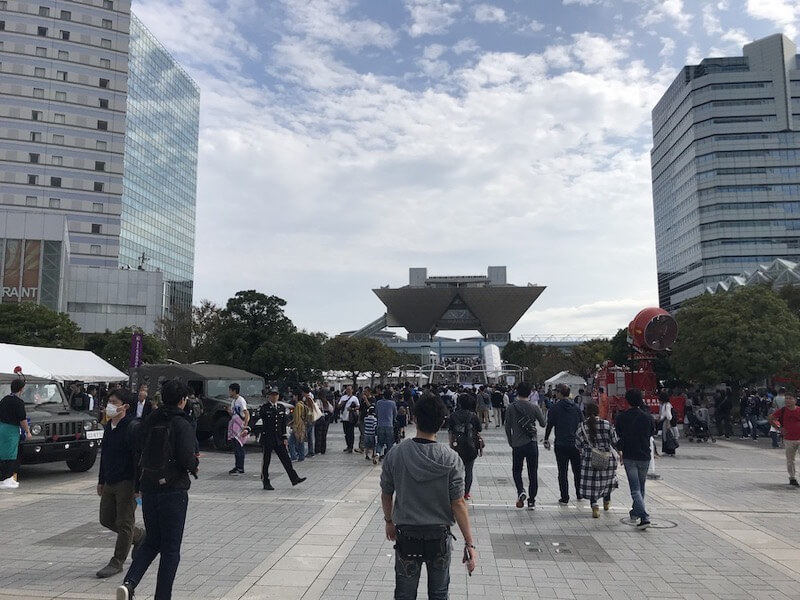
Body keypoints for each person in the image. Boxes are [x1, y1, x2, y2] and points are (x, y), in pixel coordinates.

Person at [380, 393, 476, 599]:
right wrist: (469, 542)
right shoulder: (451, 459)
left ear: (414, 418)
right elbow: (458, 502)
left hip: (407, 535)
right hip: (438, 537)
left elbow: (387, 492)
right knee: (439, 593)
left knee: (404, 594)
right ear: (442, 422)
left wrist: (389, 521)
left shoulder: (396, 454)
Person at [116, 379, 199, 600]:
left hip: (149, 489)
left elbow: (138, 453)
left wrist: (137, 485)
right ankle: (162, 597)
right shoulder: (182, 423)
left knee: (152, 541)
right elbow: (185, 457)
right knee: (171, 549)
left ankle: (129, 583)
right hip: (173, 491)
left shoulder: (149, 421)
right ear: (182, 400)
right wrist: (194, 464)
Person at [95, 389, 145, 578]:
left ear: (125, 406)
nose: (110, 405)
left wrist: (138, 486)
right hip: (110, 479)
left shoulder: (132, 427)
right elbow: (105, 454)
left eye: (114, 402)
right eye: (109, 401)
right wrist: (101, 480)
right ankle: (139, 536)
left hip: (127, 481)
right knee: (106, 518)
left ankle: (117, 562)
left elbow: (138, 457)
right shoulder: (109, 427)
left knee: (125, 522)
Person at [615, 388, 654, 530]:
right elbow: (652, 432)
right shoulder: (647, 417)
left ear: (627, 400)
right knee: (641, 487)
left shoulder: (622, 417)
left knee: (635, 489)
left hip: (629, 455)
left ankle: (644, 516)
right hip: (644, 455)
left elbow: (618, 435)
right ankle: (635, 512)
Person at [504, 382, 546, 509]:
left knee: (517, 470)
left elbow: (507, 427)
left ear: (517, 392)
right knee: (533, 472)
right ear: (530, 393)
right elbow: (543, 423)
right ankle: (532, 500)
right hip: (532, 443)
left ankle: (521, 490)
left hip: (517, 444)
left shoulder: (511, 407)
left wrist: (511, 441)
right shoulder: (534, 407)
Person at [576, 403, 618, 519]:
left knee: (593, 483)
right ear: (598, 411)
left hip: (589, 459)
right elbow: (614, 441)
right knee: (606, 480)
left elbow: (578, 444)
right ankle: (607, 500)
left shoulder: (582, 426)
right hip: (606, 458)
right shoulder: (606, 424)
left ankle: (594, 506)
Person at [543, 384, 583, 504]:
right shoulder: (576, 408)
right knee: (577, 470)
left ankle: (564, 496)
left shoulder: (555, 408)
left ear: (560, 393)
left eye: (556, 392)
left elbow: (550, 425)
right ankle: (579, 493)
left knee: (562, 471)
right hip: (575, 444)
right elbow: (582, 424)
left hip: (561, 444)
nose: (555, 394)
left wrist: (546, 439)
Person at [258, 390, 305, 490]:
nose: (274, 397)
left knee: (286, 459)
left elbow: (283, 424)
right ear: (269, 397)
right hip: (268, 438)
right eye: (272, 395)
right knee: (266, 461)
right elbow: (258, 419)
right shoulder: (264, 407)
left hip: (278, 438)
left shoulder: (281, 407)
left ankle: (294, 478)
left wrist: (284, 437)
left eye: (276, 395)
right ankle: (265, 481)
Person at [448, 393, 482, 500]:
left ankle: (456, 492)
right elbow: (479, 430)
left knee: (456, 471)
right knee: (469, 470)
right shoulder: (474, 416)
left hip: (457, 447)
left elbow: (450, 432)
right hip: (471, 447)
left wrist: (451, 446)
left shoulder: (453, 416)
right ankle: (466, 492)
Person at [0, 379, 33, 490]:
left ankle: (6, 478)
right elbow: (22, 419)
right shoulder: (19, 402)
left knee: (3, 452)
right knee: (11, 454)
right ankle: (6, 478)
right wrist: (28, 431)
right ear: (21, 389)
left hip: (2, 428)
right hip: (11, 430)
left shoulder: (4, 400)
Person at [769, 393, 800, 486]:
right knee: (790, 460)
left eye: (790, 398)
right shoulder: (782, 411)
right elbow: (771, 418)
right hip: (789, 439)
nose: (787, 400)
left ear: (795, 400)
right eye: (786, 398)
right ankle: (792, 477)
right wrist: (779, 428)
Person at [227, 383, 249, 474]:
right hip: (234, 426)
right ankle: (237, 466)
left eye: (230, 390)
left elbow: (246, 413)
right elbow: (233, 414)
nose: (229, 392)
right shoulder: (233, 401)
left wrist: (245, 426)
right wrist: (229, 412)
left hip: (240, 426)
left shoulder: (241, 400)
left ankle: (240, 467)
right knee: (236, 447)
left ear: (234, 391)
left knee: (239, 446)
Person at [375, 389, 398, 461]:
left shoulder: (378, 402)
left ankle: (377, 454)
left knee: (379, 442)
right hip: (389, 425)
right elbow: (395, 414)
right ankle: (387, 457)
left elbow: (376, 413)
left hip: (380, 424)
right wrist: (393, 419)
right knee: (389, 443)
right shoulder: (392, 403)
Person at [338, 385, 359, 453]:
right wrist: (341, 404)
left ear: (352, 390)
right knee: (346, 433)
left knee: (351, 433)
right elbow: (338, 405)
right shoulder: (343, 397)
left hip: (351, 418)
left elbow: (358, 406)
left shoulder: (354, 398)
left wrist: (352, 409)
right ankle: (348, 445)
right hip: (344, 417)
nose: (348, 390)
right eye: (347, 389)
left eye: (349, 389)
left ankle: (351, 446)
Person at [659, 392, 678, 456]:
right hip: (666, 420)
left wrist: (668, 423)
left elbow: (668, 415)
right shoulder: (667, 404)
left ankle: (669, 450)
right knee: (667, 436)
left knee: (667, 436)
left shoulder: (666, 405)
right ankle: (669, 451)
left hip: (667, 421)